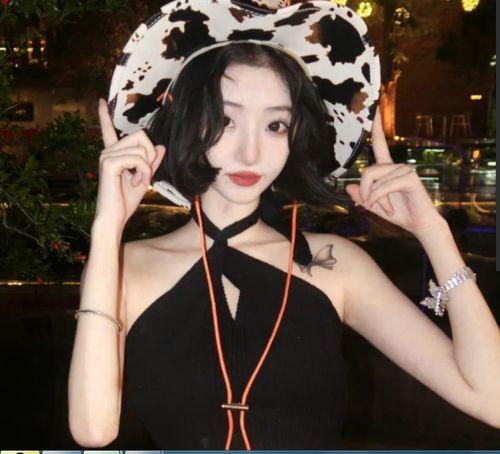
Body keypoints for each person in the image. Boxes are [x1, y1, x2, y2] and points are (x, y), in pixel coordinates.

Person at [68, 0, 500, 450]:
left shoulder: (337, 266)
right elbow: (93, 430)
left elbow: (493, 399)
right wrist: (107, 228)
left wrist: (433, 232)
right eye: (226, 120)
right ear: (186, 118)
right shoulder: (126, 268)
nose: (251, 153)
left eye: (275, 125)